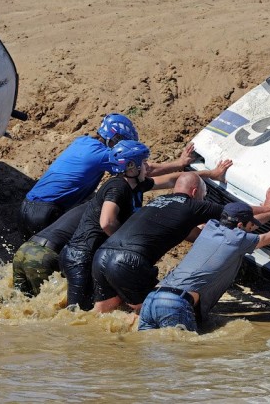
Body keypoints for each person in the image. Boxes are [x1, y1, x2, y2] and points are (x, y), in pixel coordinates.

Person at [91, 172, 270, 314]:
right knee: (150, 312)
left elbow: (199, 236)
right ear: (195, 192)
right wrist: (269, 209)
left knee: (103, 314)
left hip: (102, 254)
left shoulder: (157, 203)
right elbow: (234, 212)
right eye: (203, 196)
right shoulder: (192, 205)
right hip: (129, 261)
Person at [138, 202, 270, 332]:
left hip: (152, 298)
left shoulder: (211, 227)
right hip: (175, 304)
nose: (253, 228)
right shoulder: (238, 240)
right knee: (184, 359)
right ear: (240, 225)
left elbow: (247, 227)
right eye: (251, 225)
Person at [18, 112, 196, 238]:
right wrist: (179, 164)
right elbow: (143, 170)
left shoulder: (82, 141)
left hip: (27, 205)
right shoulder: (103, 155)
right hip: (46, 211)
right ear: (116, 139)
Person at [58, 140, 153, 310]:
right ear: (131, 166)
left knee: (94, 311)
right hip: (80, 257)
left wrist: (205, 174)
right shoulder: (118, 186)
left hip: (86, 256)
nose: (148, 166)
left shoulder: (131, 184)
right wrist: (124, 245)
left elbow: (167, 180)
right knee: (76, 317)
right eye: (144, 162)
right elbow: (107, 222)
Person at [12, 202, 87, 297]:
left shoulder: (83, 207)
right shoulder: (98, 212)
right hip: (41, 256)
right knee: (45, 305)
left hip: (24, 249)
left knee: (18, 301)